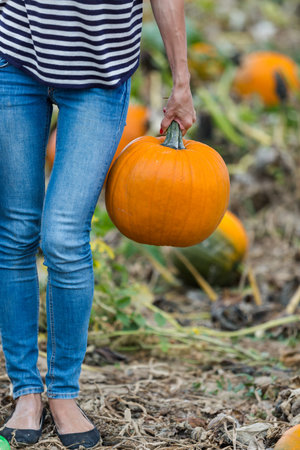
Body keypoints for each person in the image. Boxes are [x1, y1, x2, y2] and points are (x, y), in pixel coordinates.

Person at [0, 0, 196, 448]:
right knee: (15, 233)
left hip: (99, 76)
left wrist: (181, 81)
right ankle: (26, 391)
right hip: (15, 62)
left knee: (64, 237)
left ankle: (64, 393)